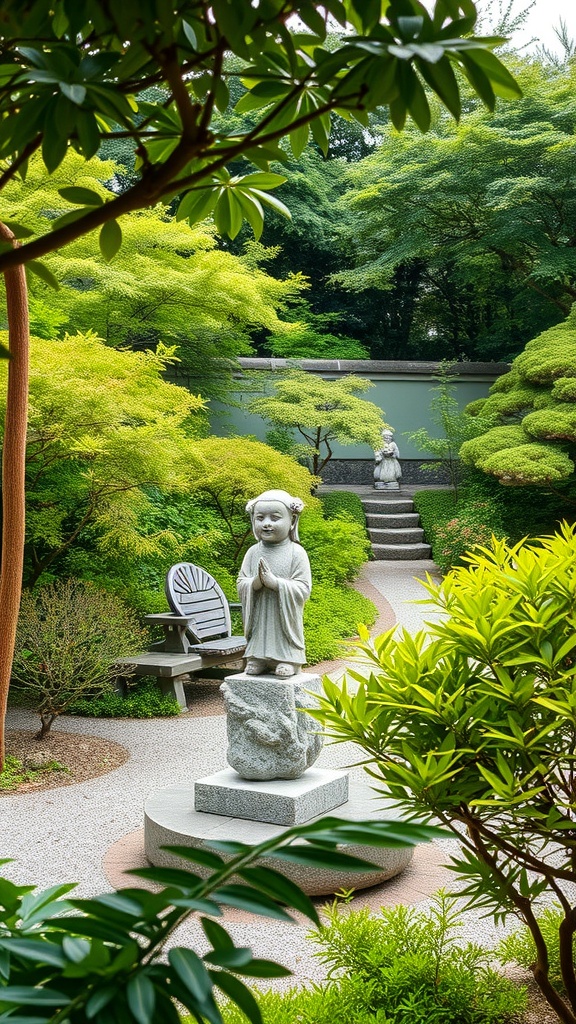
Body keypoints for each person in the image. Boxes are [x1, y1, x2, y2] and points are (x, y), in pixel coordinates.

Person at [237, 490, 311, 677]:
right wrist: (255, 583)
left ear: (292, 521)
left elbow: (303, 588)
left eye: (275, 518)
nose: (267, 523)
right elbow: (241, 582)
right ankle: (258, 657)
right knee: (260, 629)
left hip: (284, 614)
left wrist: (276, 584)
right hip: (260, 607)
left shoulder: (296, 553)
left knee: (282, 632)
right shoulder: (253, 552)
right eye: (260, 518)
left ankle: (287, 659)